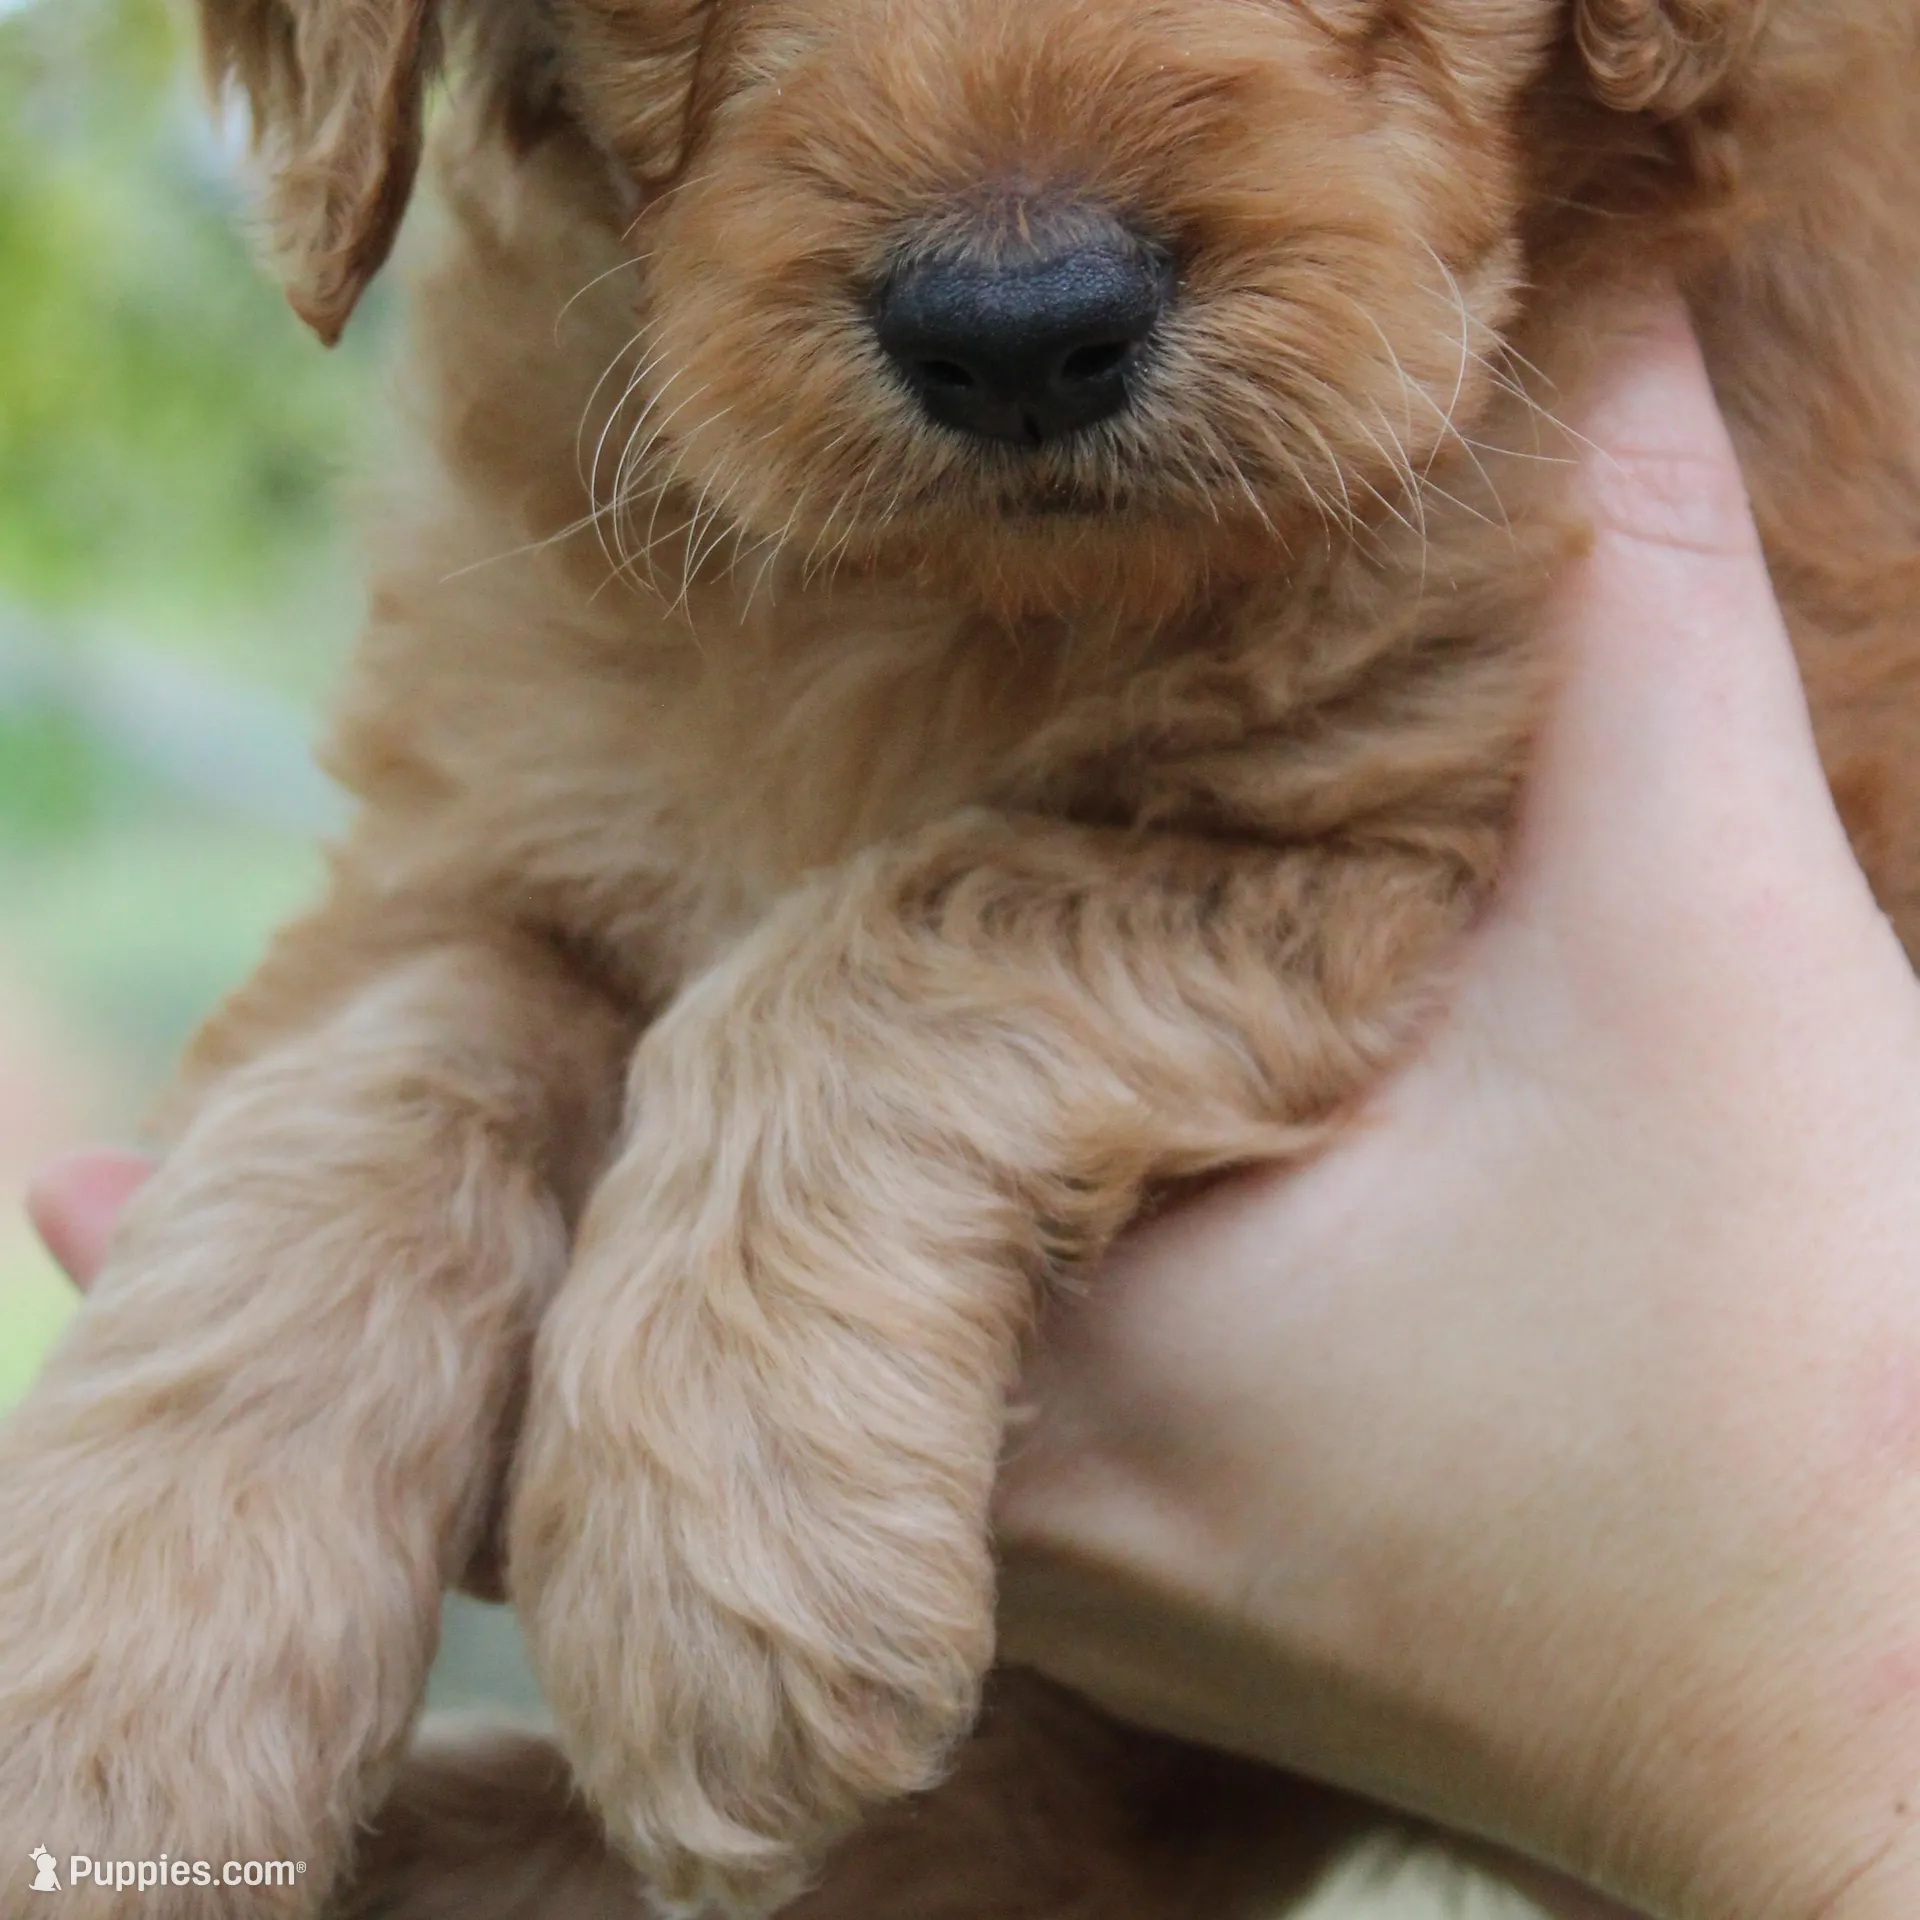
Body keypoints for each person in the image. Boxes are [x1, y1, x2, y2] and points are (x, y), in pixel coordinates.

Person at [28, 297, 1920, 1920]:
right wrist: (310, 1305)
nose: (1017, 260)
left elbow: (1416, 856)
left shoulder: (1666, 346)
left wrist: (860, 1127)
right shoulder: (574, 413)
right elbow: (510, 912)